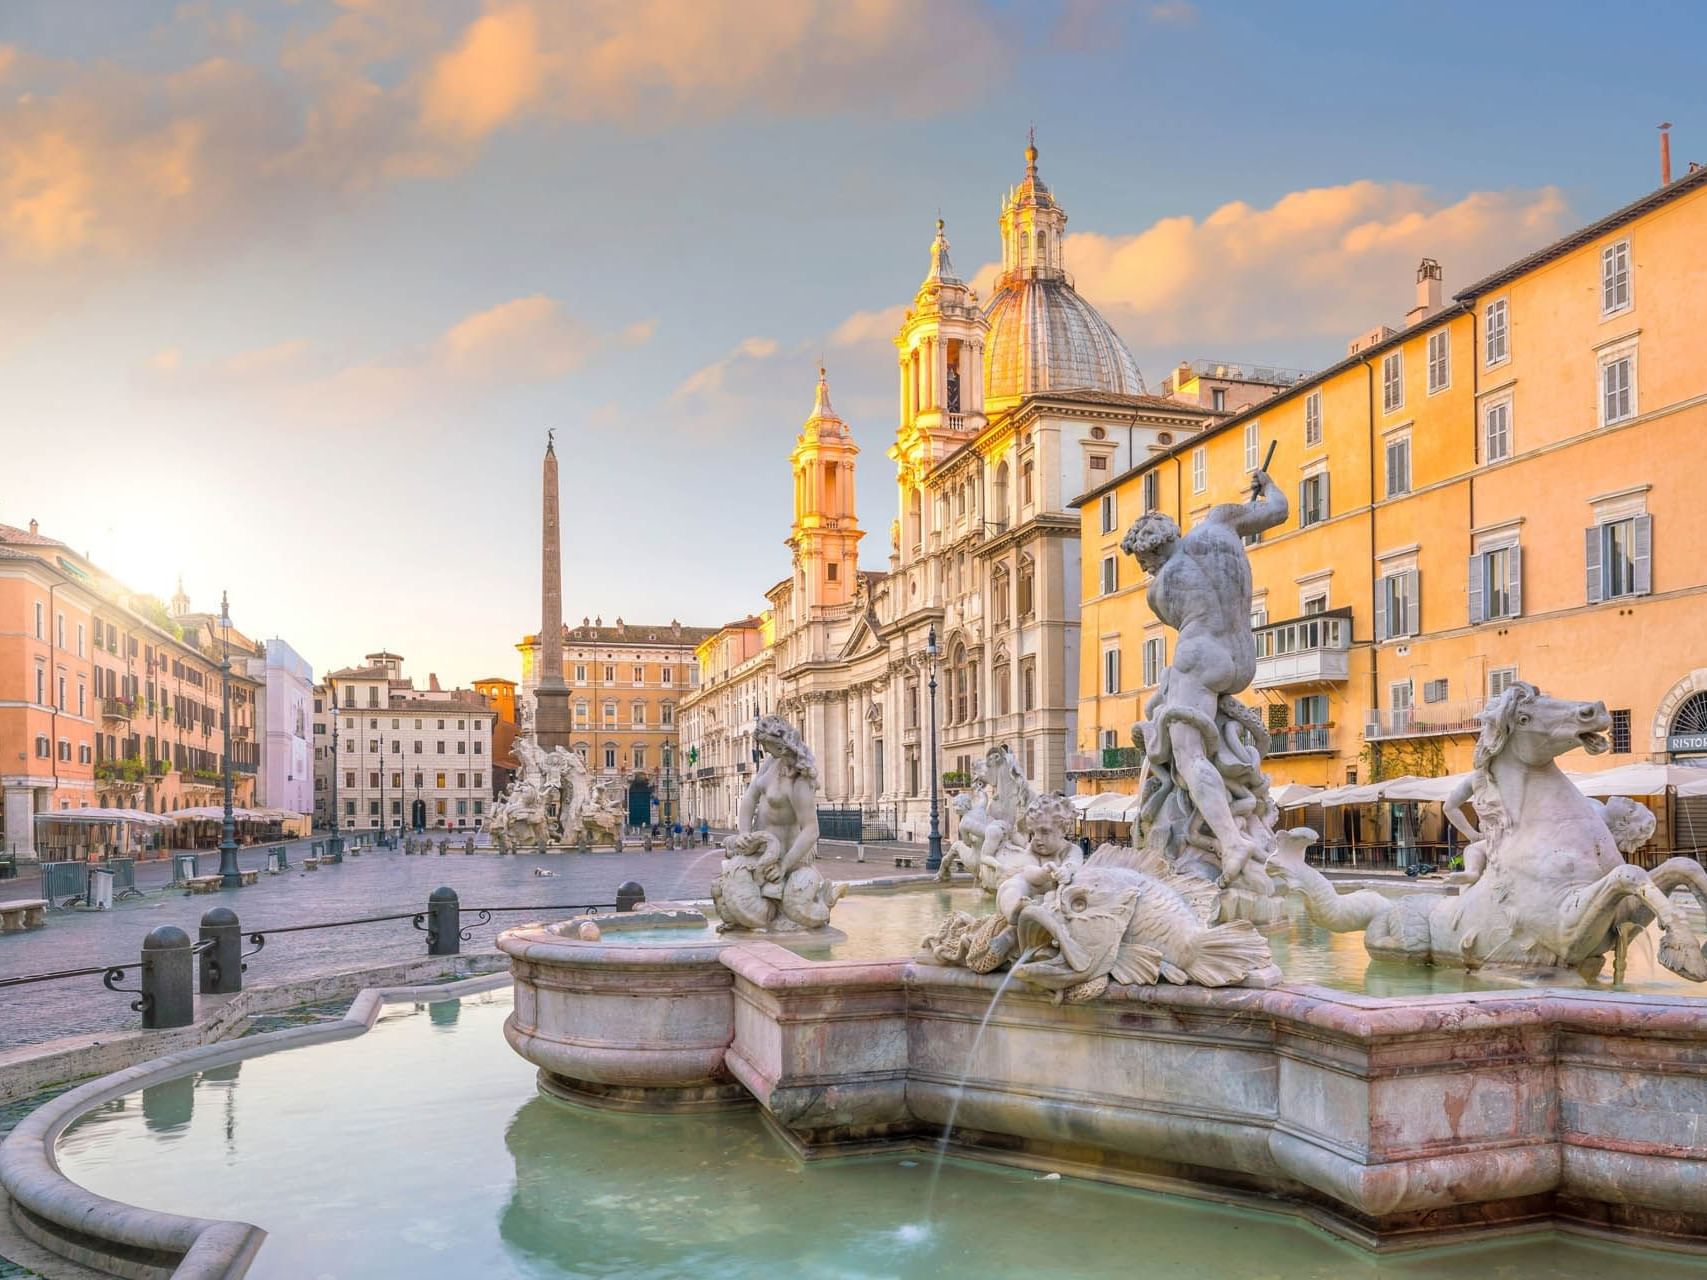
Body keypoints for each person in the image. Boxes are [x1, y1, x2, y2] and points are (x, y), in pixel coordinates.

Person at [1122, 467, 1289, 887]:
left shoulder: (1159, 586)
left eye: (1143, 563)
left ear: (1152, 555)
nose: (1145, 569)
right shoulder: (1220, 522)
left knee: (1188, 754)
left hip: (1200, 655)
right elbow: (1279, 510)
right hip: (1241, 658)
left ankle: (1231, 840)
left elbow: (1178, 624)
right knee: (1169, 701)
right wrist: (1266, 485)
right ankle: (1229, 821)